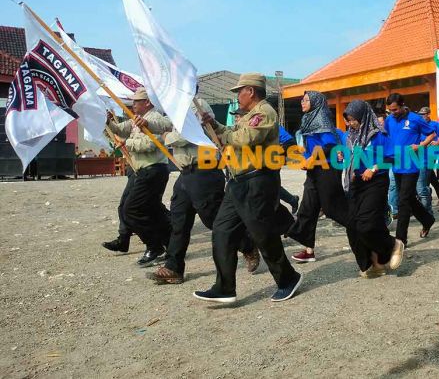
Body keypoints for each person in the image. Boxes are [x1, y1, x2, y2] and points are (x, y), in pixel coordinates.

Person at [194, 73, 302, 303]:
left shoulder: (264, 112)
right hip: (237, 182)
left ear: (250, 91)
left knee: (263, 235)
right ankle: (224, 287)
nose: (237, 95)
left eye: (239, 91)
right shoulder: (248, 115)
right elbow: (231, 135)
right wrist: (213, 125)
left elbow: (244, 138)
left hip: (258, 182)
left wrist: (222, 131)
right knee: (222, 231)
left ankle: (288, 278)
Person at [149, 98, 260, 285]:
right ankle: (174, 267)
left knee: (214, 219)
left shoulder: (198, 105)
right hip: (186, 173)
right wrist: (148, 124)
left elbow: (190, 134)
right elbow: (165, 124)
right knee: (179, 221)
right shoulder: (178, 107)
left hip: (204, 171)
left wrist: (166, 137)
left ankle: (247, 245)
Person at [101, 88, 173, 266]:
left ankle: (154, 246)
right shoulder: (135, 119)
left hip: (153, 169)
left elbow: (150, 144)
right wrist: (108, 122)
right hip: (143, 169)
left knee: (132, 210)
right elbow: (120, 129)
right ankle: (172, 244)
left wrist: (127, 143)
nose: (132, 105)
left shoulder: (155, 119)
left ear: (147, 102)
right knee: (152, 209)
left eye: (136, 101)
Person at [342, 100, 404, 278]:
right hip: (357, 183)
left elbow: (392, 157)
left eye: (354, 119)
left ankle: (393, 245)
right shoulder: (351, 136)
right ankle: (372, 264)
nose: (351, 123)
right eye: (349, 119)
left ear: (363, 116)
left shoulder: (378, 135)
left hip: (376, 181)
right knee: (352, 226)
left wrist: (374, 168)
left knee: (366, 225)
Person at [286, 91, 348, 263]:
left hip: (327, 169)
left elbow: (329, 146)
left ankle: (367, 232)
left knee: (333, 209)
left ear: (315, 102)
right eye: (302, 99)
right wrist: (307, 160)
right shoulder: (308, 119)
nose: (302, 102)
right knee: (308, 208)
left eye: (306, 100)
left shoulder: (322, 119)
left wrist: (313, 158)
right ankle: (309, 251)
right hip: (314, 170)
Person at [384, 93, 436, 245]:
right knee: (409, 199)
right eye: (390, 110)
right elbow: (385, 136)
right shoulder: (389, 120)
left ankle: (401, 239)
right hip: (396, 165)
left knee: (403, 201)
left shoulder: (415, 119)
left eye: (395, 109)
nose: (392, 112)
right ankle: (428, 219)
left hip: (411, 165)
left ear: (402, 105)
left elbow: (431, 134)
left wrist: (420, 145)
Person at [417, 106, 439, 212]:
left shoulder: (435, 124)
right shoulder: (419, 124)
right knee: (430, 176)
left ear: (428, 114)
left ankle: (426, 202)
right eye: (420, 114)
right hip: (420, 154)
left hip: (431, 154)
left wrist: (437, 142)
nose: (422, 116)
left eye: (423, 114)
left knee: (426, 179)